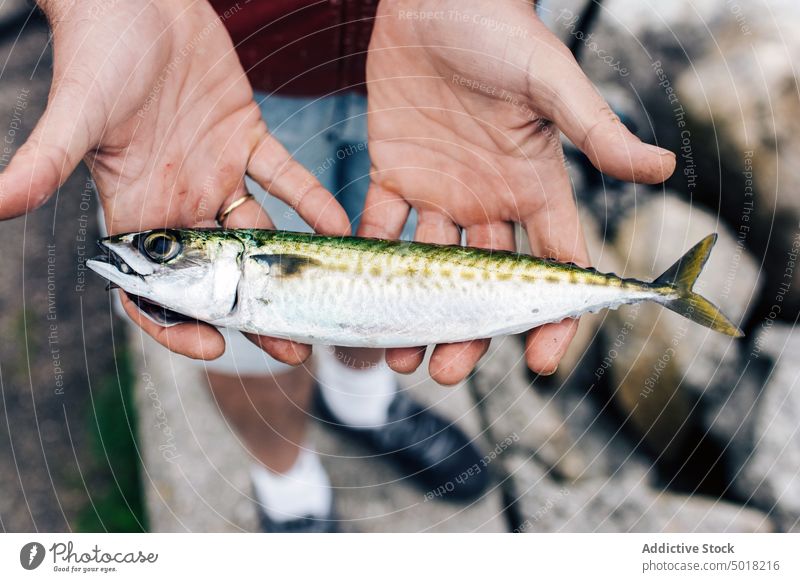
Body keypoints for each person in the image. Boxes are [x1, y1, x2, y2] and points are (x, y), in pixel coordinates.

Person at [0, 0, 675, 531]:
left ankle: (365, 406)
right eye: (164, 248)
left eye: (162, 248)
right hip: (217, 73)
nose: (152, 252)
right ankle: (287, 485)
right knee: (247, 357)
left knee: (403, 262)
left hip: (451, 74)